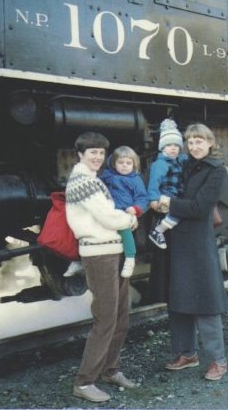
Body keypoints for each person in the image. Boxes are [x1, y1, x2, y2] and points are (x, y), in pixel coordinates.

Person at [65, 132, 138, 403]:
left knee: (120, 316)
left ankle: (110, 369)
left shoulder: (93, 180)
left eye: (100, 152)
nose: (97, 157)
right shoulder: (83, 182)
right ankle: (84, 382)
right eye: (92, 152)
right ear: (80, 154)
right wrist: (129, 219)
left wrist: (122, 220)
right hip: (99, 256)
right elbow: (108, 217)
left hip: (112, 251)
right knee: (106, 318)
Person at [158, 123, 228, 381]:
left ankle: (219, 360)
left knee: (206, 303)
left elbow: (200, 207)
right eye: (190, 142)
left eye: (199, 141)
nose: (194, 146)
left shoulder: (217, 170)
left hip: (198, 243)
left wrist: (169, 203)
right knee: (178, 301)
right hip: (176, 240)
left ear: (210, 143)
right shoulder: (183, 164)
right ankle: (187, 354)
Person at [100, 146, 149, 277]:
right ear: (113, 163)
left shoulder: (135, 180)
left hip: (124, 212)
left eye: (128, 163)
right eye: (120, 162)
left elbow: (142, 197)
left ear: (134, 165)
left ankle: (130, 258)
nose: (124, 166)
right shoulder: (107, 175)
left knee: (125, 232)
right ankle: (78, 258)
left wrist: (135, 209)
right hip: (108, 212)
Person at [147, 118, 187, 249]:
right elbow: (154, 182)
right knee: (178, 213)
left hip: (177, 195)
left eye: (176, 145)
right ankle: (158, 231)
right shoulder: (160, 164)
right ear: (163, 147)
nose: (173, 148)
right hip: (167, 195)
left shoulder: (180, 160)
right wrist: (153, 199)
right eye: (169, 145)